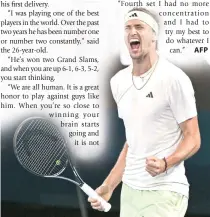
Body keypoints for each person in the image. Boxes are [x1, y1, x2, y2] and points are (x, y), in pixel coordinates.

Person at [88, 7, 201, 217]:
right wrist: (109, 185)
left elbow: (193, 137)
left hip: (166, 191)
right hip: (130, 191)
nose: (133, 32)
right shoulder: (118, 82)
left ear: (154, 36)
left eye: (139, 26)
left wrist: (167, 163)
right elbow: (132, 142)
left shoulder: (174, 79)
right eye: (128, 28)